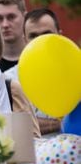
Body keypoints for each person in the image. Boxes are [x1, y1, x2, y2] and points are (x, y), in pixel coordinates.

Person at [4, 8, 62, 136]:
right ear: (24, 40)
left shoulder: (75, 72)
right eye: (33, 36)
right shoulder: (9, 80)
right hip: (31, 155)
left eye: (46, 34)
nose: (40, 41)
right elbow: (14, 127)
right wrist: (60, 124)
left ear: (60, 35)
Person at [0, 0, 27, 72]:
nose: (5, 25)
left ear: (25, 17)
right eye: (0, 18)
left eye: (11, 17)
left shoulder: (37, 56)